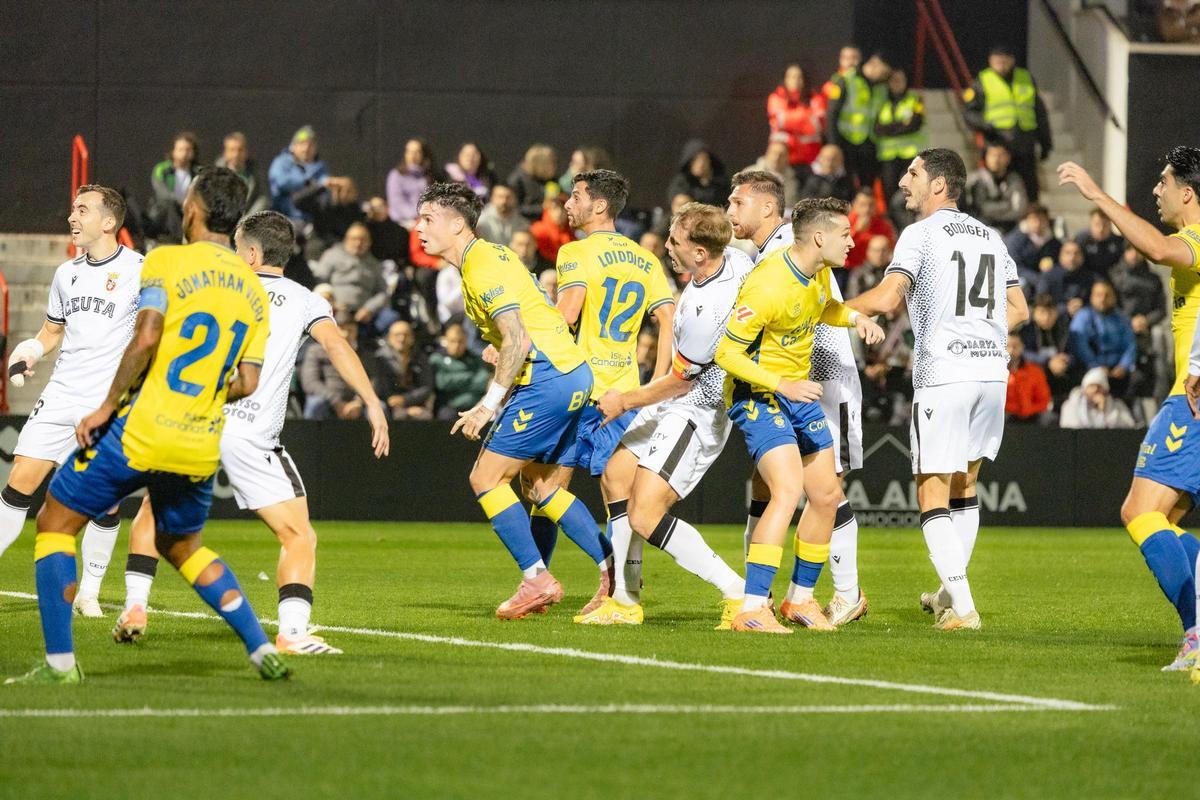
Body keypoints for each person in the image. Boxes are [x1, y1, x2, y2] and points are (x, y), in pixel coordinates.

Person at [5, 167, 289, 685]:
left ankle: (59, 665)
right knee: (184, 546)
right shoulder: (253, 289)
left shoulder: (165, 260)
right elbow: (247, 380)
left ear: (193, 210)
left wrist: (105, 405)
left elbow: (145, 339)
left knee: (54, 521)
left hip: (143, 429)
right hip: (201, 440)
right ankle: (262, 648)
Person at [112, 211, 389, 655]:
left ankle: (136, 606)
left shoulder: (218, 286)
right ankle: (293, 634)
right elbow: (336, 346)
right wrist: (373, 403)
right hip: (251, 432)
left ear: (253, 253)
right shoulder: (305, 300)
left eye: (238, 248)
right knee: (298, 536)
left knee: (152, 508)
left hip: (194, 419)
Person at [849, 148, 1029, 631]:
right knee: (965, 486)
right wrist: (980, 330)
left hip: (945, 374)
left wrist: (835, 309)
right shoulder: (991, 236)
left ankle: (964, 609)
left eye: (913, 174)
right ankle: (949, 593)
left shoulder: (920, 234)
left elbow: (888, 299)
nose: (903, 181)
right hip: (991, 372)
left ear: (939, 185)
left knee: (931, 490)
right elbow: (1019, 309)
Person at [415, 182, 600, 620]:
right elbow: (533, 320)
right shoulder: (491, 256)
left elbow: (517, 335)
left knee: (485, 478)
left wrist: (486, 405)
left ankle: (537, 578)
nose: (419, 227)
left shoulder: (479, 264)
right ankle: (613, 573)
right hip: (571, 371)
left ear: (457, 224)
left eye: (428, 219)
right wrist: (504, 350)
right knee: (540, 487)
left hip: (548, 377)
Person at [579, 203, 754, 627]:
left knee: (644, 513)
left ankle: (738, 595)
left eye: (675, 242)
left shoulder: (705, 309)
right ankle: (625, 597)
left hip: (697, 409)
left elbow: (683, 380)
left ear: (699, 252)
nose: (667, 248)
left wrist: (627, 399)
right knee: (615, 475)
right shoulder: (734, 259)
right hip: (675, 400)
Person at [1060, 149, 1200, 673]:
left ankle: (1197, 631)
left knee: (1140, 512)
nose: (1156, 191)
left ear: (1188, 192)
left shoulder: (1194, 238)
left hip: (1192, 401)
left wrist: (1097, 196)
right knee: (1158, 518)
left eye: (1163, 183)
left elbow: (1159, 249)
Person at [715, 198, 883, 634]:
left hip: (798, 391)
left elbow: (824, 307)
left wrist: (853, 318)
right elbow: (727, 352)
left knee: (826, 496)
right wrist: (782, 384)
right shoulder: (768, 284)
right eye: (845, 234)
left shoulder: (819, 271)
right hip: (759, 394)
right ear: (819, 237)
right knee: (787, 491)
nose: (852, 241)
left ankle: (799, 599)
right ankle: (752, 608)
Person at [2, 185, 143, 618]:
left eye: (82, 210)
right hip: (60, 395)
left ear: (109, 222)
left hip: (106, 403)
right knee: (18, 483)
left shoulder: (141, 270)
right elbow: (51, 332)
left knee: (106, 502)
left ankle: (90, 592)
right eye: (72, 209)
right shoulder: (67, 273)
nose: (71, 217)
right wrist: (29, 351)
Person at [539, 169, 675, 619]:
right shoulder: (645, 258)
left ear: (600, 205)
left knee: (546, 486)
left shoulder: (575, 252)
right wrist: (656, 386)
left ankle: (604, 575)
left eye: (576, 196)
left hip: (584, 390)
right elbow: (668, 319)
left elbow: (568, 312)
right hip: (629, 390)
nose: (567, 203)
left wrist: (520, 342)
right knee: (599, 491)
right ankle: (553, 579)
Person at [963, 45, 1052, 201]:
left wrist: (1046, 142)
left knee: (1029, 188)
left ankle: (1030, 220)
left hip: (1025, 145)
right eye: (997, 61)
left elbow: (1039, 112)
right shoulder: (982, 80)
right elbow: (969, 113)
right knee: (997, 188)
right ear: (990, 61)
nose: (1001, 65)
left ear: (1012, 60)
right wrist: (986, 125)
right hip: (998, 144)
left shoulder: (1025, 78)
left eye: (1004, 61)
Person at [311, 222, 390, 328]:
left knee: (391, 319)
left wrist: (369, 309)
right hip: (336, 309)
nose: (358, 243)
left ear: (369, 242)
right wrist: (331, 303)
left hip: (364, 313)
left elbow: (383, 292)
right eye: (354, 239)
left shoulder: (374, 264)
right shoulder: (332, 255)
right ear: (346, 240)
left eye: (362, 239)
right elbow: (319, 280)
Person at [826, 50, 885, 189]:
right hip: (846, 143)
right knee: (846, 187)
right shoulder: (845, 79)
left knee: (867, 187)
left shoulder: (879, 86)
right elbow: (832, 114)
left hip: (868, 144)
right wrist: (833, 144)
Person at [1068, 279, 1136, 396]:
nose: (1103, 299)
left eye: (1107, 295)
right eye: (1098, 295)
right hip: (1090, 367)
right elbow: (1080, 345)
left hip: (1117, 369)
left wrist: (1123, 365)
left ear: (1114, 298)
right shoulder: (1083, 316)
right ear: (1091, 297)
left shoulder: (1122, 318)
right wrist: (1096, 366)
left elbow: (1130, 344)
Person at [874, 68, 926, 200]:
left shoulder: (916, 99)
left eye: (900, 80)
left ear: (906, 81)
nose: (896, 83)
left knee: (910, 193)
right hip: (888, 156)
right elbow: (877, 128)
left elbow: (915, 124)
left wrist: (889, 129)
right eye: (893, 80)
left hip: (910, 155)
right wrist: (902, 124)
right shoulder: (881, 101)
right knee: (889, 192)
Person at [1020, 293, 1076, 408]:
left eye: (1050, 312)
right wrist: (1048, 361)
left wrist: (1067, 360)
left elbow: (1074, 354)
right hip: (1037, 371)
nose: (1046, 317)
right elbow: (1024, 353)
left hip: (1061, 371)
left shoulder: (1065, 329)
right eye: (1042, 313)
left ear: (1056, 312)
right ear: (1034, 313)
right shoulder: (1027, 331)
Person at [767, 64, 826, 170]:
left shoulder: (816, 98)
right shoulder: (775, 98)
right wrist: (806, 116)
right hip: (783, 159)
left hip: (811, 158)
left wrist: (789, 118)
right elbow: (779, 122)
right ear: (785, 79)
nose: (795, 80)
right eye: (791, 76)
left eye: (799, 77)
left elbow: (816, 127)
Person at [374, 320, 434, 420]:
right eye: (397, 335)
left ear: (412, 338)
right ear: (389, 337)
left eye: (406, 335)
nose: (401, 339)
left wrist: (406, 400)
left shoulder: (421, 358)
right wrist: (398, 404)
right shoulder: (380, 358)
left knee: (425, 416)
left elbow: (426, 387)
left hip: (415, 403)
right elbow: (380, 387)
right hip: (389, 405)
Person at [963, 141, 1028, 235]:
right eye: (993, 155)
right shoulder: (977, 179)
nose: (996, 159)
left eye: (1001, 155)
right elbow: (983, 208)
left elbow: (1019, 209)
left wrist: (996, 211)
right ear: (985, 157)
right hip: (981, 227)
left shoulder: (1015, 179)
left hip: (1010, 228)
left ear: (1008, 158)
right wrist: (1007, 205)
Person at [268, 126, 331, 222]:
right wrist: (307, 181)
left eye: (310, 145)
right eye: (302, 144)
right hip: (285, 217)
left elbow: (327, 190)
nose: (306, 148)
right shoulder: (281, 162)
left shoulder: (321, 167)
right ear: (292, 146)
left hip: (315, 218)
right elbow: (282, 183)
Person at [146, 132, 198, 242]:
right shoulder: (162, 169)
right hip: (164, 216)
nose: (184, 153)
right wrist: (182, 204)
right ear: (173, 151)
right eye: (180, 149)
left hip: (189, 214)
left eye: (188, 150)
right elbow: (163, 194)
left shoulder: (198, 173)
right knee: (169, 205)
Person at [432, 323, 490, 420]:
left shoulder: (475, 359)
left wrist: (456, 380)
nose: (456, 345)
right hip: (448, 407)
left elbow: (483, 382)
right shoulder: (437, 359)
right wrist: (470, 377)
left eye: (460, 342)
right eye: (453, 341)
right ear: (445, 340)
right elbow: (442, 383)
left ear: (466, 341)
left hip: (473, 406)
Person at [1004, 203, 1061, 296]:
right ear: (1026, 220)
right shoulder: (1015, 240)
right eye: (1033, 220)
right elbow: (1012, 266)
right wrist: (1035, 278)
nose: (1038, 224)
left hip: (1044, 278)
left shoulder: (1053, 242)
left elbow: (1059, 263)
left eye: (1042, 220)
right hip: (1020, 277)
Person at [1059, 367, 1136, 428]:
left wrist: (1106, 412)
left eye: (1099, 387)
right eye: (1092, 386)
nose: (1096, 390)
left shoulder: (1118, 405)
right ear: (1084, 389)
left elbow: (1129, 427)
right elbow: (1069, 428)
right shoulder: (1070, 405)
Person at [386, 137, 437, 228]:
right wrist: (420, 215)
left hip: (425, 222)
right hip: (402, 224)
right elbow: (398, 205)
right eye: (409, 152)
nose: (412, 156)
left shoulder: (429, 176)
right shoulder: (396, 175)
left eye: (417, 152)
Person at [215, 132, 268, 214]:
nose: (236, 154)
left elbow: (263, 199)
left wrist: (247, 221)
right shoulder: (215, 175)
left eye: (240, 150)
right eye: (232, 150)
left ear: (246, 152)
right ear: (225, 152)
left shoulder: (256, 174)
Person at [667, 140, 731, 207]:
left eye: (703, 159)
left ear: (709, 160)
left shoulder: (722, 182)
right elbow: (679, 202)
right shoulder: (682, 182)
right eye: (695, 160)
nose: (700, 164)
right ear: (689, 162)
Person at [846, 186, 896, 272]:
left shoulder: (883, 225)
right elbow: (837, 249)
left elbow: (891, 249)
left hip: (874, 270)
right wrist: (855, 231)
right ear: (854, 204)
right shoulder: (845, 222)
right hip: (848, 270)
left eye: (871, 205)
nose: (867, 209)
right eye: (862, 205)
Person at [1037, 239, 1094, 314]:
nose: (1072, 257)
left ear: (1082, 257)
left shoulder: (1090, 278)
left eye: (1076, 253)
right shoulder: (1048, 277)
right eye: (1067, 253)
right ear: (1060, 256)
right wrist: (1066, 308)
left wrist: (1083, 305)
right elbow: (1041, 303)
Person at [508, 144, 559, 221]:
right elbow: (515, 209)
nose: (555, 167)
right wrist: (542, 208)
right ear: (540, 164)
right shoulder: (516, 180)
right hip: (526, 224)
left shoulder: (551, 178)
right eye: (551, 163)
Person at [1005, 336, 1051, 423]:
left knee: (1047, 417)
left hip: (1032, 414)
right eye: (1007, 346)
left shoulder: (1035, 371)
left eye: (1015, 346)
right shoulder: (995, 371)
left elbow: (1044, 399)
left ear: (1022, 347)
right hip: (1007, 414)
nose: (1010, 351)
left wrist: (1027, 410)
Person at [747, 140, 801, 209]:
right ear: (767, 154)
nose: (777, 158)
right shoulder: (749, 174)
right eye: (774, 153)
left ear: (787, 158)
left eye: (781, 155)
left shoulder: (794, 179)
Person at [1075, 208, 1126, 276]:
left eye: (1105, 225)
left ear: (1110, 224)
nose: (1101, 229)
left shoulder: (1119, 242)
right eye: (1097, 224)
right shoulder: (1081, 240)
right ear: (1091, 223)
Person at [363, 195, 409, 266]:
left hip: (394, 266)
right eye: (373, 208)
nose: (377, 210)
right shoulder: (364, 230)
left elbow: (403, 255)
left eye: (380, 207)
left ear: (387, 207)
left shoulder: (400, 231)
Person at [529, 193, 574, 264]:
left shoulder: (571, 232)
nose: (559, 212)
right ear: (548, 210)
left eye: (563, 209)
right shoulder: (537, 230)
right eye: (554, 208)